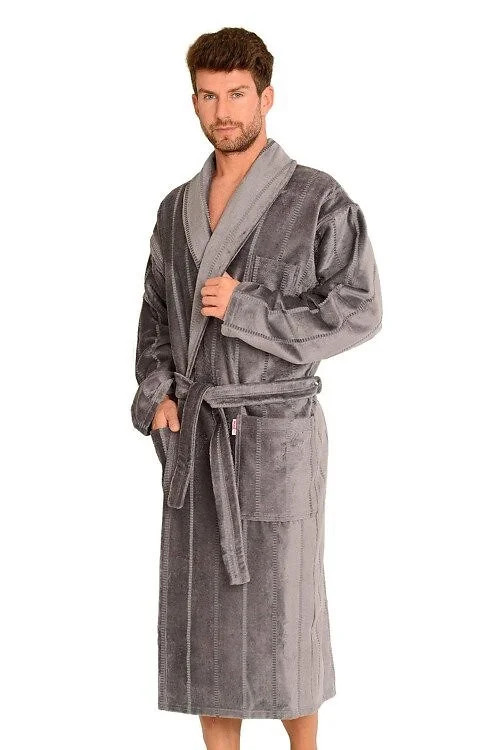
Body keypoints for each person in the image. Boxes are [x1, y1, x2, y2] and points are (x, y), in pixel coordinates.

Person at [131, 26, 382, 750]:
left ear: (266, 97)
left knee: (284, 618)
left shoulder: (317, 199)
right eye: (208, 96)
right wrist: (159, 394)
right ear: (194, 102)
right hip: (197, 437)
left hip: (276, 440)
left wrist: (248, 310)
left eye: (237, 94)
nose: (223, 111)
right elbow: (155, 314)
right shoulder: (175, 208)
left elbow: (360, 309)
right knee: (208, 628)